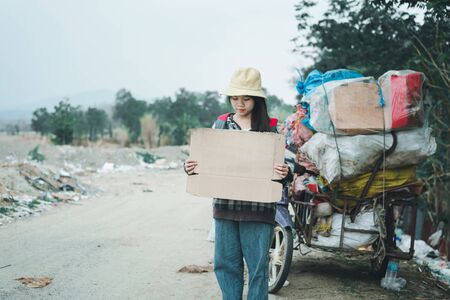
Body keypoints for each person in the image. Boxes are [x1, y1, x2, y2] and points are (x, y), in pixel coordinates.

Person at [184, 67, 291, 300]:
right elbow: (204, 161)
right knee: (226, 265)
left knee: (258, 269)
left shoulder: (272, 127)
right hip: (225, 208)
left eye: (245, 98)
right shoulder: (221, 125)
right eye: (234, 98)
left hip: (259, 209)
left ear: (257, 99)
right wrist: (191, 167)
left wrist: (286, 171)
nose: (239, 104)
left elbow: (289, 165)